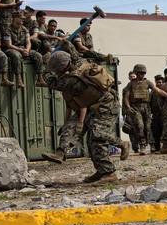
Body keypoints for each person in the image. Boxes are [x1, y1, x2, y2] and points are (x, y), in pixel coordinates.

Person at [42, 51, 128, 183]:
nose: (56, 73)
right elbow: (73, 52)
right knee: (70, 126)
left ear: (65, 68)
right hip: (91, 104)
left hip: (107, 104)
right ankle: (61, 152)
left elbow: (52, 83)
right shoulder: (79, 61)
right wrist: (66, 45)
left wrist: (46, 68)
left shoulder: (71, 80)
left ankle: (111, 169)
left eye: (57, 70)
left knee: (97, 136)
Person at [2, 11, 46, 88]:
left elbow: (28, 42)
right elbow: (9, 45)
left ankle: (39, 78)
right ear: (15, 18)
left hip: (23, 48)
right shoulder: (8, 29)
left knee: (38, 55)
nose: (23, 20)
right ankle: (19, 79)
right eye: (21, 18)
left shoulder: (24, 29)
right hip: (11, 48)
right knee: (16, 56)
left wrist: (27, 50)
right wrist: (21, 50)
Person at [123, 64, 155, 154]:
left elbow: (156, 90)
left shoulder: (147, 82)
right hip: (135, 107)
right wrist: (128, 107)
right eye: (141, 73)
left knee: (148, 126)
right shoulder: (131, 84)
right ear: (137, 73)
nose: (142, 75)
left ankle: (150, 143)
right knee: (139, 126)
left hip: (146, 107)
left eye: (144, 73)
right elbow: (126, 97)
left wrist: (166, 94)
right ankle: (142, 145)